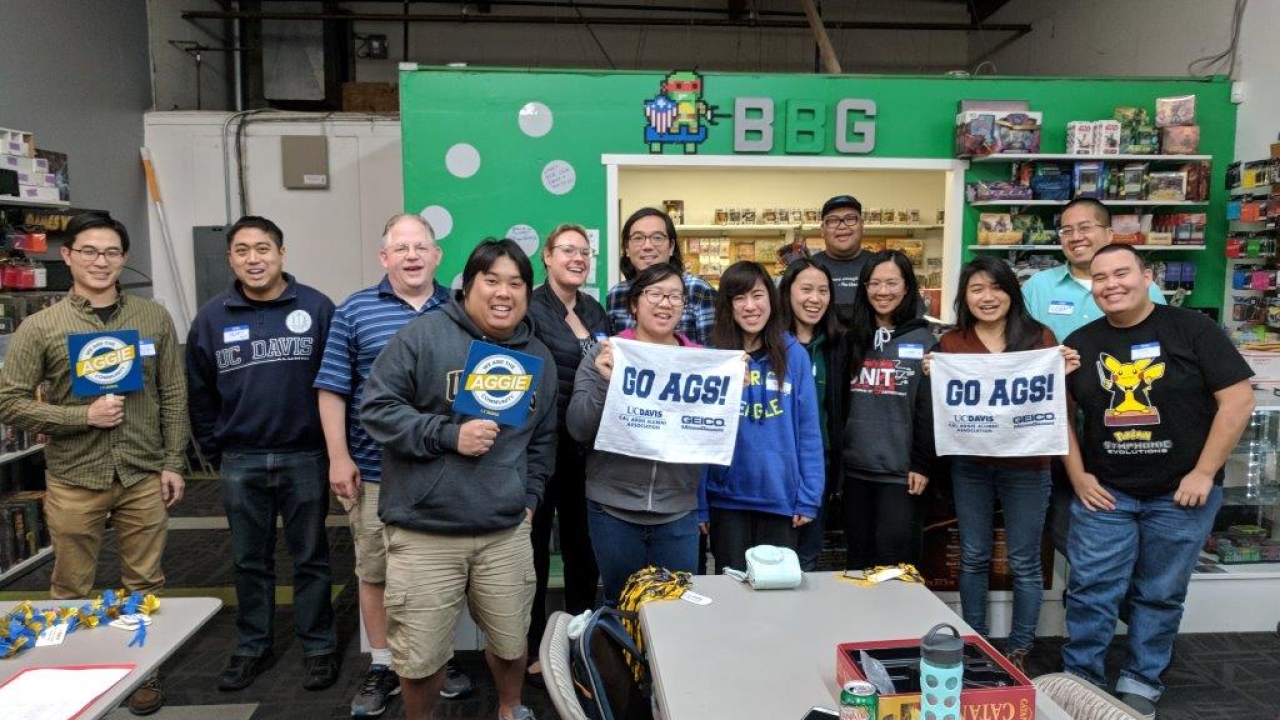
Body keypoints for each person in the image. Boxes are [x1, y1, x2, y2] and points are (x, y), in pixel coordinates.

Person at [0, 212, 188, 716]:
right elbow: (10, 402)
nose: (100, 262)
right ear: (67, 257)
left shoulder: (153, 318)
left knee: (145, 583)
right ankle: (67, 673)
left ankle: (143, 674)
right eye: (88, 251)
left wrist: (174, 461)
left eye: (110, 253)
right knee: (69, 587)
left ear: (124, 259)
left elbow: (172, 392)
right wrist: (80, 415)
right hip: (75, 476)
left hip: (142, 472)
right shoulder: (42, 326)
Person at [361, 239, 557, 720]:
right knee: (421, 657)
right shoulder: (423, 337)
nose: (503, 293)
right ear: (468, 285)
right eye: (491, 280)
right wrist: (448, 435)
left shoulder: (539, 358)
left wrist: (528, 500)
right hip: (425, 528)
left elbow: (542, 440)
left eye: (515, 283)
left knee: (512, 644)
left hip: (504, 531)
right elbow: (377, 409)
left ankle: (510, 708)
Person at [1060, 244, 1254, 718]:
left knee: (1160, 593)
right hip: (1108, 491)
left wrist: (1204, 472)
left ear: (1147, 276)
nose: (1111, 284)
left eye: (1122, 273)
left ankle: (1142, 679)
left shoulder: (1194, 329)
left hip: (1180, 493)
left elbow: (1238, 401)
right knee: (1091, 589)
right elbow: (1056, 416)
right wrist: (1078, 474)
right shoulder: (1081, 344)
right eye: (1100, 277)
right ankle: (1080, 676)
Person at [313, 214, 472, 716]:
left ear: (437, 254)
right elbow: (333, 388)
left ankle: (439, 660)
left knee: (446, 570)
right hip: (377, 471)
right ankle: (383, 664)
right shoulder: (355, 311)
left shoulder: (463, 309)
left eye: (420, 246)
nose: (411, 255)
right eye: (400, 248)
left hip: (450, 470)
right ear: (384, 258)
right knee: (376, 571)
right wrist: (338, 456)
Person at [186, 216, 339, 693]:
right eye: (243, 251)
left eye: (264, 249)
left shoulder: (316, 307)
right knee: (249, 560)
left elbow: (336, 382)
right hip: (241, 459)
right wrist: (217, 449)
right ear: (231, 258)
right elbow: (199, 391)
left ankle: (319, 646)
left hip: (305, 455)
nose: (255, 259)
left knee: (311, 557)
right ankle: (253, 645)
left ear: (281, 254)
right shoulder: (211, 317)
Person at [927, 256, 1080, 671]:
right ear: (965, 297)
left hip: (1028, 464)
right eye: (976, 289)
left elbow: (1057, 405)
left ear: (1012, 293)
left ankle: (1019, 645)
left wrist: (1063, 373)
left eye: (996, 288)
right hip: (971, 464)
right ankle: (974, 637)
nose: (987, 297)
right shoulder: (952, 344)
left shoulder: (1039, 338)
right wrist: (934, 373)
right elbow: (938, 404)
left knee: (1024, 560)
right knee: (974, 555)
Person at [1020, 198, 1166, 554]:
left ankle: (1112, 596)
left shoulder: (1146, 289)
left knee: (1125, 525)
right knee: (1065, 527)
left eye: (1085, 227)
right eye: (1066, 230)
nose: (1075, 237)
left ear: (1109, 233)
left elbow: (1160, 351)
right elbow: (1016, 352)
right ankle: (1086, 594)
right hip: (1057, 427)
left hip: (1127, 428)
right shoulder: (1038, 287)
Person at [568, 263, 704, 604]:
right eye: (655, 294)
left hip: (678, 511)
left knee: (677, 612)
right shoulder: (606, 355)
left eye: (675, 296)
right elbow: (578, 428)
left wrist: (733, 393)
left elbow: (713, 438)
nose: (665, 303)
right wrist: (603, 381)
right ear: (634, 303)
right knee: (620, 608)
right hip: (612, 510)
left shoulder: (702, 364)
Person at [700, 261, 824, 572]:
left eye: (757, 295)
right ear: (728, 306)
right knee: (731, 590)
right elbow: (699, 434)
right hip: (727, 499)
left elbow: (808, 431)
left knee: (776, 595)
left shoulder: (794, 354)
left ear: (771, 298)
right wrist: (699, 503)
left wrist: (809, 496)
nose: (750, 306)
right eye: (739, 298)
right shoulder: (713, 357)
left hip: (780, 498)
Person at [525, 223, 607, 686]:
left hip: (586, 448)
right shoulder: (532, 307)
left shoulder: (594, 309)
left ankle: (579, 640)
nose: (578, 258)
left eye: (584, 252)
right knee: (534, 549)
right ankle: (535, 644)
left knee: (583, 548)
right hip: (541, 446)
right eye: (568, 250)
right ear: (548, 256)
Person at [839, 251, 936, 568]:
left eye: (892, 282)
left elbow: (928, 408)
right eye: (875, 283)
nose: (883, 291)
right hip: (855, 471)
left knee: (896, 567)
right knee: (858, 563)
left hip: (902, 474)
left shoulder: (925, 341)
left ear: (907, 287)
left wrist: (922, 463)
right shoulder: (851, 339)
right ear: (864, 288)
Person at [778, 258, 846, 570]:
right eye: (806, 289)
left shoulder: (838, 345)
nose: (814, 299)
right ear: (787, 292)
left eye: (822, 291)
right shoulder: (771, 345)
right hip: (777, 463)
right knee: (774, 555)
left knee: (808, 556)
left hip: (821, 462)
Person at [605, 207, 716, 346]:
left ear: (671, 247)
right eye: (638, 238)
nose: (647, 246)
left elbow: (713, 354)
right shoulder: (616, 294)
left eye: (657, 238)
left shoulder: (698, 290)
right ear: (627, 248)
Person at [811, 195, 870, 329]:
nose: (842, 226)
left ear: (862, 226)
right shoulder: (807, 268)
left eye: (850, 219)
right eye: (832, 221)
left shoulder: (880, 266)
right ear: (822, 229)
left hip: (875, 347)